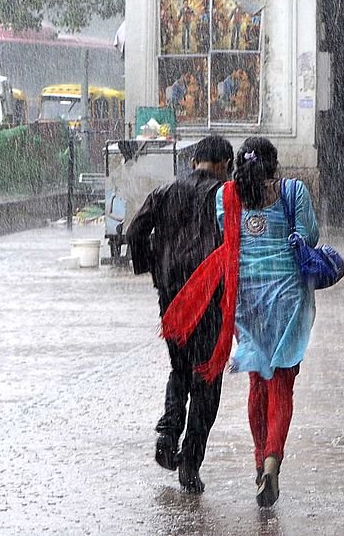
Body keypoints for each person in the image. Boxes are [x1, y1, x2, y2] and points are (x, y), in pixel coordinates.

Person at [126, 135, 235, 494]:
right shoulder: (225, 195)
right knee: (207, 378)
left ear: (194, 162)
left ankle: (168, 431)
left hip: (171, 296)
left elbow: (135, 230)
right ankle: (190, 460)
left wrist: (152, 268)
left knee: (180, 368)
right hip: (208, 296)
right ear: (223, 165)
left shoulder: (165, 191)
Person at [226, 136, 319, 508]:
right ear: (275, 163)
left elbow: (226, 238)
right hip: (287, 299)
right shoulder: (293, 191)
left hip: (247, 300)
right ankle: (272, 460)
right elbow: (310, 236)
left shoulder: (228, 196)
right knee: (282, 383)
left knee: (257, 381)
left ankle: (258, 458)